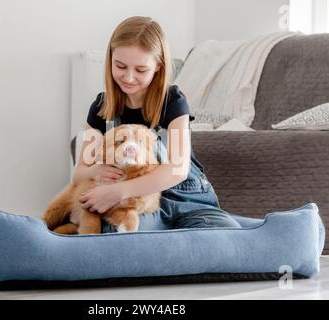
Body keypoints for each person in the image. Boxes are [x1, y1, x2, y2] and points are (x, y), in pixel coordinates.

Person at [73, 16, 241, 232]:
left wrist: (119, 191)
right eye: (121, 66)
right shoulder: (101, 107)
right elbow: (79, 173)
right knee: (119, 234)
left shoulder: (173, 100)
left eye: (141, 70)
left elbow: (178, 170)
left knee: (226, 236)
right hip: (137, 206)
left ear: (158, 67)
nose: (129, 77)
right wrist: (95, 172)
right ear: (110, 60)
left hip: (188, 199)